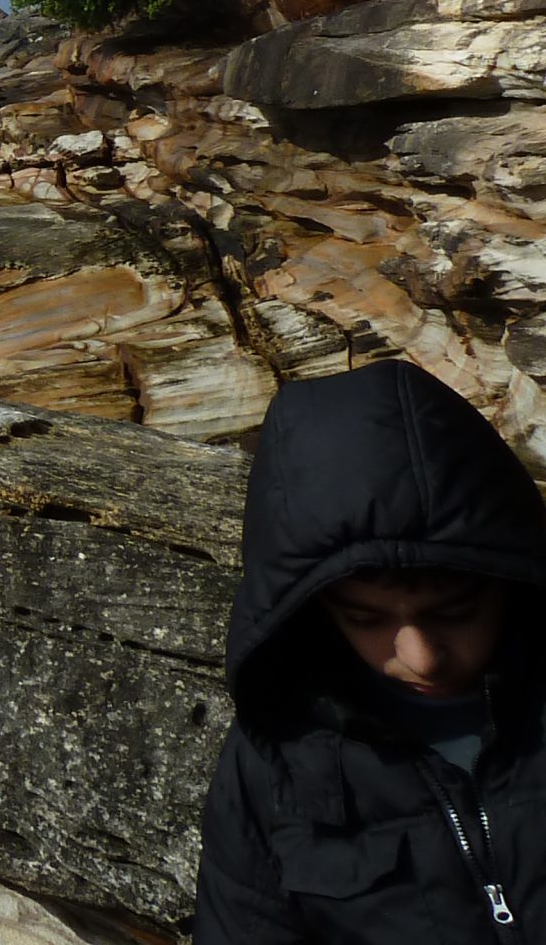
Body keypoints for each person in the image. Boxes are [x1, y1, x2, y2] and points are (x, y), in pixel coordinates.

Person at [197, 361, 546, 941]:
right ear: (315, 612)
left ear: (514, 579)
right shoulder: (274, 762)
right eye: (366, 618)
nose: (422, 657)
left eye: (455, 611)